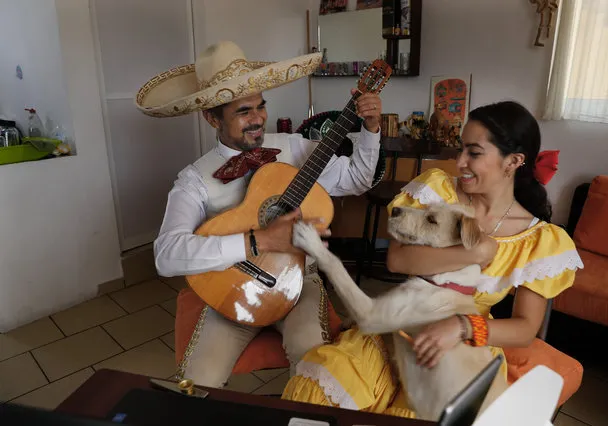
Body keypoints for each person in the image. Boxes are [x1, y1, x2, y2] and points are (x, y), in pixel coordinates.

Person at [281, 100, 584, 418]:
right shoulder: (439, 191)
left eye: (474, 152)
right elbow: (398, 260)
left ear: (513, 161)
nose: (460, 161)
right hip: (398, 325)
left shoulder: (538, 239)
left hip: (458, 350)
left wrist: (461, 326)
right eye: (461, 149)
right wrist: (474, 253)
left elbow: (524, 329)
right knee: (316, 398)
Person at [135, 41, 384, 388]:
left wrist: (370, 131)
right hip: (232, 290)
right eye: (243, 112)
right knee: (197, 381)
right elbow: (166, 256)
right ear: (212, 117)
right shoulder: (194, 179)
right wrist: (257, 240)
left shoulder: (292, 147)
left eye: (261, 107)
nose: (257, 119)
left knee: (313, 360)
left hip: (298, 286)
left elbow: (357, 178)